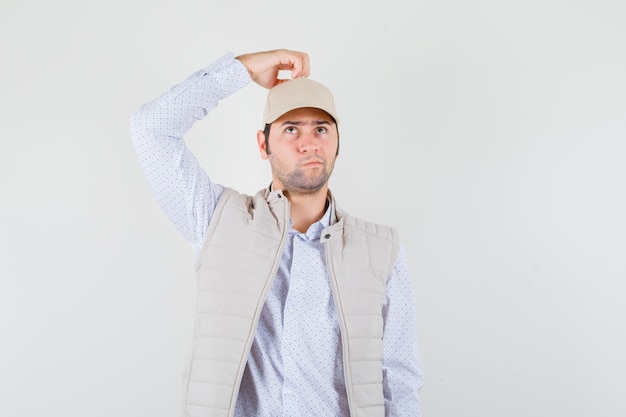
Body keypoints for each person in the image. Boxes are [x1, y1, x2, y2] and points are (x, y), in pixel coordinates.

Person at [130, 49, 423, 417]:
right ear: (262, 144)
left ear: (337, 142)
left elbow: (398, 378)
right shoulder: (217, 220)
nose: (308, 143)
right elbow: (151, 128)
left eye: (320, 129)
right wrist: (243, 69)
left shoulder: (381, 250)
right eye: (290, 130)